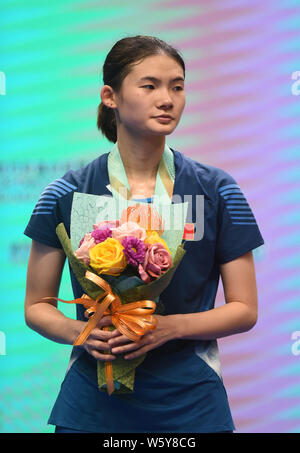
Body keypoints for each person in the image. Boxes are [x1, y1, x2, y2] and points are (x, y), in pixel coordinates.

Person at [24, 35, 264, 433]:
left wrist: (171, 328)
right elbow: (37, 306)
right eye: (149, 85)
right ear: (110, 96)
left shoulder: (218, 190)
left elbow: (245, 309)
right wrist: (80, 333)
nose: (167, 99)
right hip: (92, 404)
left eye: (177, 86)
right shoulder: (66, 192)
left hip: (192, 402)